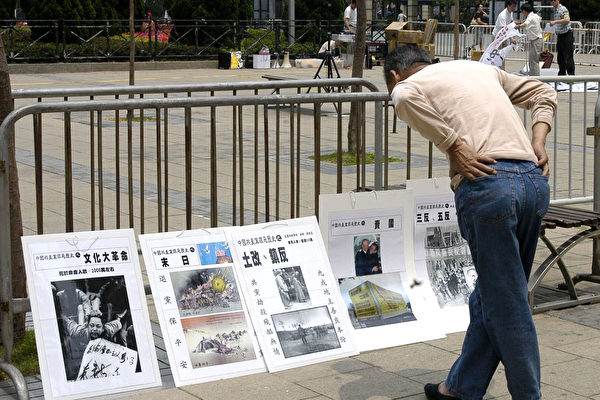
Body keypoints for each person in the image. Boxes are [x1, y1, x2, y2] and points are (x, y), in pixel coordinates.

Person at [384, 45, 556, 400]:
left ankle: (528, 395)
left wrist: (454, 146)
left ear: (394, 74)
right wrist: (538, 140)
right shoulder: (479, 69)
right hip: (532, 180)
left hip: (488, 184)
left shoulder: (409, 84)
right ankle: (461, 388)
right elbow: (543, 91)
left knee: (507, 302)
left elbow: (401, 97)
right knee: (494, 292)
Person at [516, 3, 543, 76]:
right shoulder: (535, 16)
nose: (522, 12)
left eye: (522, 11)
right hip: (535, 39)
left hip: (535, 40)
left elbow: (525, 24)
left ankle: (536, 77)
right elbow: (538, 19)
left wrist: (518, 26)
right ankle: (533, 75)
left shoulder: (530, 17)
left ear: (525, 11)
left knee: (534, 61)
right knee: (532, 60)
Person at [550, 0, 575, 75]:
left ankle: (571, 75)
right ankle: (562, 74)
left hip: (567, 34)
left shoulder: (563, 9)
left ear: (558, 1)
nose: (552, 2)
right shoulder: (555, 10)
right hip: (560, 35)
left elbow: (567, 20)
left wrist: (555, 22)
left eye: (554, 0)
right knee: (560, 57)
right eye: (551, 1)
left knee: (568, 57)